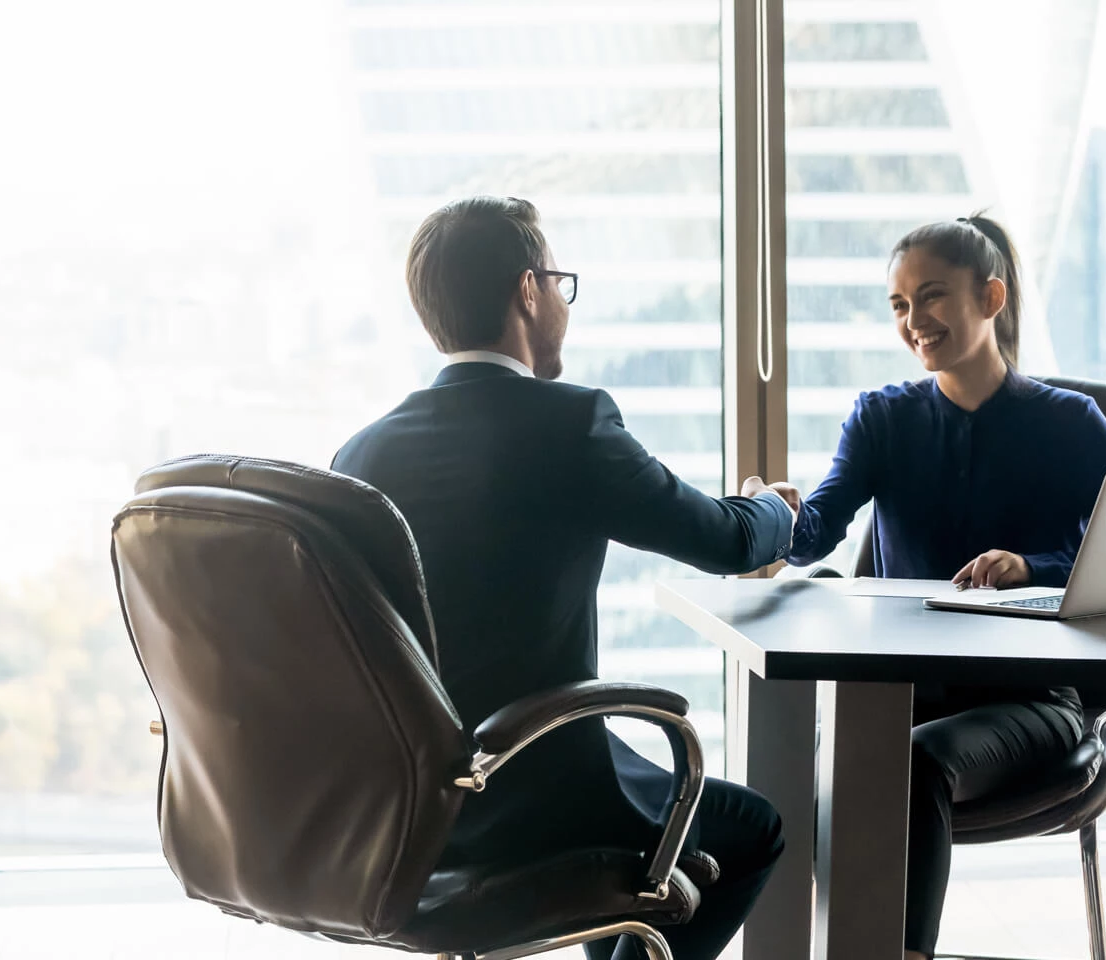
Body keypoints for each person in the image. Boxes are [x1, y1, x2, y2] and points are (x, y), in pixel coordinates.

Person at [332, 196, 795, 960]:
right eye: (558, 283)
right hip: (540, 789)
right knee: (751, 832)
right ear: (526, 290)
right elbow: (725, 539)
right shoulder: (569, 424)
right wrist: (770, 507)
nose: (560, 304)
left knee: (642, 854)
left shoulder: (362, 454)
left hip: (410, 813)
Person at [769, 213, 1106, 959]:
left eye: (931, 297)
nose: (914, 322)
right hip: (901, 692)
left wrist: (1034, 568)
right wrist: (771, 512)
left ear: (990, 297)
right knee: (810, 767)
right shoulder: (882, 419)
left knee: (908, 764)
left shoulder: (1070, 423)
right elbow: (813, 538)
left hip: (1032, 699)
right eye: (899, 306)